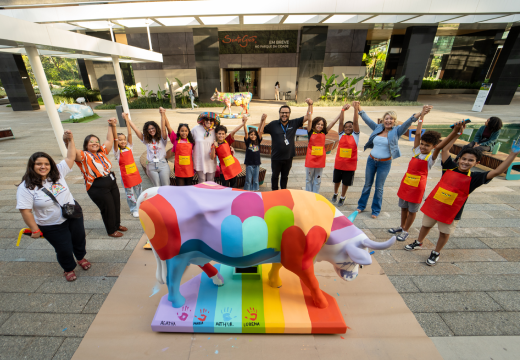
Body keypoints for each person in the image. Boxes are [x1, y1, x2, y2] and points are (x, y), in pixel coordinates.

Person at [404, 122, 520, 266]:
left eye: (470, 160)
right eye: (463, 159)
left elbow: (496, 172)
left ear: (476, 163)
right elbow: (445, 149)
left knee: (444, 232)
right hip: (435, 204)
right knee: (426, 225)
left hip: (452, 210)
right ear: (458, 159)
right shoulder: (449, 167)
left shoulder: (475, 178)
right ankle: (418, 241)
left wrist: (513, 155)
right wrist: (457, 133)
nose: (465, 162)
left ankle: (436, 252)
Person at [17, 131, 89, 281]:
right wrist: (35, 229)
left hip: (72, 214)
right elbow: (26, 210)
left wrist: (70, 139)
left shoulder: (57, 172)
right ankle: (68, 268)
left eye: (46, 163)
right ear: (32, 166)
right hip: (51, 223)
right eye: (38, 164)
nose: (43, 166)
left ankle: (81, 258)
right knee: (64, 248)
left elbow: (70, 157)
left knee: (79, 239)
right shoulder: (26, 187)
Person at [389, 112, 459, 242]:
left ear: (433, 147)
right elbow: (417, 134)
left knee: (412, 211)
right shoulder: (416, 151)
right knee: (403, 208)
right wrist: (422, 117)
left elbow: (441, 146)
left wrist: (456, 133)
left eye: (427, 145)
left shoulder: (431, 157)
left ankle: (406, 231)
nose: (423, 146)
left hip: (417, 189)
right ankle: (401, 226)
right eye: (422, 143)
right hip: (406, 184)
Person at [354, 101, 432, 218]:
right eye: (386, 118)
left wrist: (421, 113)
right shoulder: (377, 127)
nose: (388, 121)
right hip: (371, 160)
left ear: (394, 121)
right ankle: (361, 205)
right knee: (367, 185)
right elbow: (366, 119)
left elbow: (408, 122)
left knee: (379, 187)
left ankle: (375, 210)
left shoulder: (397, 131)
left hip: (384, 163)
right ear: (383, 120)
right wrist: (358, 107)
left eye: (391, 119)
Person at [73, 118, 126, 237]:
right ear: (86, 145)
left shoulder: (101, 151)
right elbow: (72, 152)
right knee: (108, 208)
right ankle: (111, 230)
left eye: (96, 141)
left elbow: (109, 139)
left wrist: (110, 125)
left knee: (116, 205)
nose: (95, 143)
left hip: (111, 182)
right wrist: (69, 140)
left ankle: (117, 224)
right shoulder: (83, 155)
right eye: (91, 142)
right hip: (97, 187)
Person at [263, 99, 313, 190]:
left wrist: (310, 105)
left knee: (285, 176)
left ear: (289, 114)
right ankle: (274, 192)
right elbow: (261, 131)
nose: (284, 114)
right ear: (279, 113)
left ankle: (283, 192)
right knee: (275, 176)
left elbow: (308, 116)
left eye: (286, 113)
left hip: (288, 157)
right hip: (276, 157)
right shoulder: (273, 124)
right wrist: (262, 120)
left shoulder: (294, 123)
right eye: (282, 112)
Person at [305, 104, 351, 194]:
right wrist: (310, 105)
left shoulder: (324, 132)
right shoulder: (310, 131)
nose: (320, 126)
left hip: (320, 160)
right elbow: (309, 119)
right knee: (308, 179)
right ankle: (308, 195)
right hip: (310, 160)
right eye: (318, 124)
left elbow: (333, 121)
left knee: (318, 179)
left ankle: (315, 195)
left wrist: (342, 110)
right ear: (314, 124)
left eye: (322, 125)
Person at [126, 107, 170, 187]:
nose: (151, 130)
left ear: (156, 128)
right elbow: (136, 130)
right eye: (149, 129)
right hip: (151, 165)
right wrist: (127, 119)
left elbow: (163, 128)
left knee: (166, 185)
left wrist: (162, 114)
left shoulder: (162, 138)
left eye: (152, 128)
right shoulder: (146, 140)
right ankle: (158, 199)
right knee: (156, 186)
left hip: (163, 164)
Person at [112, 113, 142, 218]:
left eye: (123, 139)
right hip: (125, 176)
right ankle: (134, 208)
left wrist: (127, 119)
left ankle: (141, 205)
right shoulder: (116, 151)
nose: (123, 141)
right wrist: (114, 126)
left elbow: (129, 134)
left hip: (134, 173)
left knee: (139, 190)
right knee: (129, 193)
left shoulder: (129, 147)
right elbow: (115, 139)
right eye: (120, 140)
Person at [331, 103, 359, 206]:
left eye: (350, 127)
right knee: (336, 180)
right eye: (346, 127)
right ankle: (335, 193)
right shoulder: (341, 134)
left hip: (350, 165)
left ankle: (342, 197)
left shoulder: (356, 136)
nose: (348, 128)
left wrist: (356, 109)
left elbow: (355, 121)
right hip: (339, 164)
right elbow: (341, 122)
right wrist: (342, 109)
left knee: (345, 182)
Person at [211, 119, 245, 188]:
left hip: (232, 167)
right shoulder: (215, 144)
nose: (221, 135)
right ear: (216, 134)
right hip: (223, 171)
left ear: (225, 134)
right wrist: (214, 147)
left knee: (234, 186)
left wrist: (243, 123)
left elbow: (234, 131)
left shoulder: (227, 140)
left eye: (223, 134)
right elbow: (212, 157)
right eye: (219, 133)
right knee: (225, 187)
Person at [192, 112, 219, 183]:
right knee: (201, 180)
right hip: (199, 159)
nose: (209, 121)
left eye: (211, 120)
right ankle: (201, 194)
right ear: (203, 120)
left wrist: (230, 147)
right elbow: (188, 141)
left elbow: (221, 141)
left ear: (214, 122)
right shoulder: (195, 129)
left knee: (211, 181)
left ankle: (210, 194)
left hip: (210, 160)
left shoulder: (215, 132)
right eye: (207, 119)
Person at [243, 114, 266, 191]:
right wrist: (244, 123)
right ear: (249, 135)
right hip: (249, 164)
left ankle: (255, 191)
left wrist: (263, 120)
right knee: (248, 180)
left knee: (256, 180)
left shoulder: (258, 141)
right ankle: (247, 192)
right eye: (251, 134)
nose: (253, 136)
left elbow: (260, 130)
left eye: (254, 135)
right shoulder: (248, 141)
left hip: (256, 164)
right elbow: (246, 133)